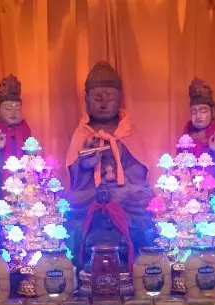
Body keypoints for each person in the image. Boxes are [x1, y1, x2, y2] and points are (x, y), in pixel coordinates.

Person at [62, 61, 155, 267]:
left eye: (110, 98)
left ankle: (136, 259)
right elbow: (75, 180)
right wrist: (86, 165)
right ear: (87, 100)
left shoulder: (127, 131)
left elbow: (139, 170)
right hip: (90, 193)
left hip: (124, 190)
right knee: (68, 203)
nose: (104, 104)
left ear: (119, 99)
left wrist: (123, 158)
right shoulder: (83, 133)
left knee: (146, 199)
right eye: (98, 98)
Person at [181, 78, 215, 249]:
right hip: (191, 191)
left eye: (203, 110)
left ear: (212, 112)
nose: (198, 116)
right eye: (194, 111)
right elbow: (181, 165)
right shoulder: (186, 135)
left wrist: (214, 151)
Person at [0, 74, 33, 225]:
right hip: (1, 180)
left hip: (22, 180)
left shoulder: (24, 128)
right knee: (1, 210)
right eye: (7, 108)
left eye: (17, 109)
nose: (13, 113)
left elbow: (31, 154)